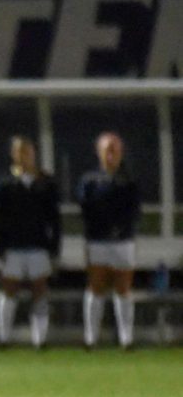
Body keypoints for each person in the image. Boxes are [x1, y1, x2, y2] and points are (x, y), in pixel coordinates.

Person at [0, 136, 61, 349]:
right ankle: (3, 338)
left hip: (38, 246)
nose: (24, 156)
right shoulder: (5, 184)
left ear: (34, 154)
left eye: (27, 151)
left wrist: (54, 246)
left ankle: (39, 339)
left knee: (39, 292)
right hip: (13, 246)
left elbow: (54, 218)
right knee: (8, 291)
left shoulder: (46, 183)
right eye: (19, 151)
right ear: (13, 154)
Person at [77, 132, 140, 350]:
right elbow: (85, 209)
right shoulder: (89, 181)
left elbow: (134, 211)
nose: (111, 153)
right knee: (96, 287)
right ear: (99, 153)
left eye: (115, 149)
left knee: (123, 288)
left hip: (123, 241)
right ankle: (90, 339)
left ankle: (126, 339)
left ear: (121, 152)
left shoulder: (130, 181)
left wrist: (119, 228)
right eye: (107, 149)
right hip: (97, 240)